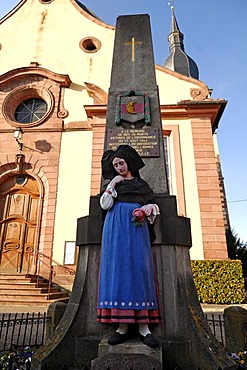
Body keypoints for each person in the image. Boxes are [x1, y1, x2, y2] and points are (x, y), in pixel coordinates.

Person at [97, 145, 161, 348]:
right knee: (118, 270)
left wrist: (149, 208)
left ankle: (144, 328)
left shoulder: (141, 185)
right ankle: (122, 327)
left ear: (129, 163)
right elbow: (105, 205)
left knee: (138, 269)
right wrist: (113, 184)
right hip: (114, 229)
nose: (118, 167)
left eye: (121, 163)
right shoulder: (113, 184)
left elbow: (153, 204)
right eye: (115, 165)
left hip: (136, 228)